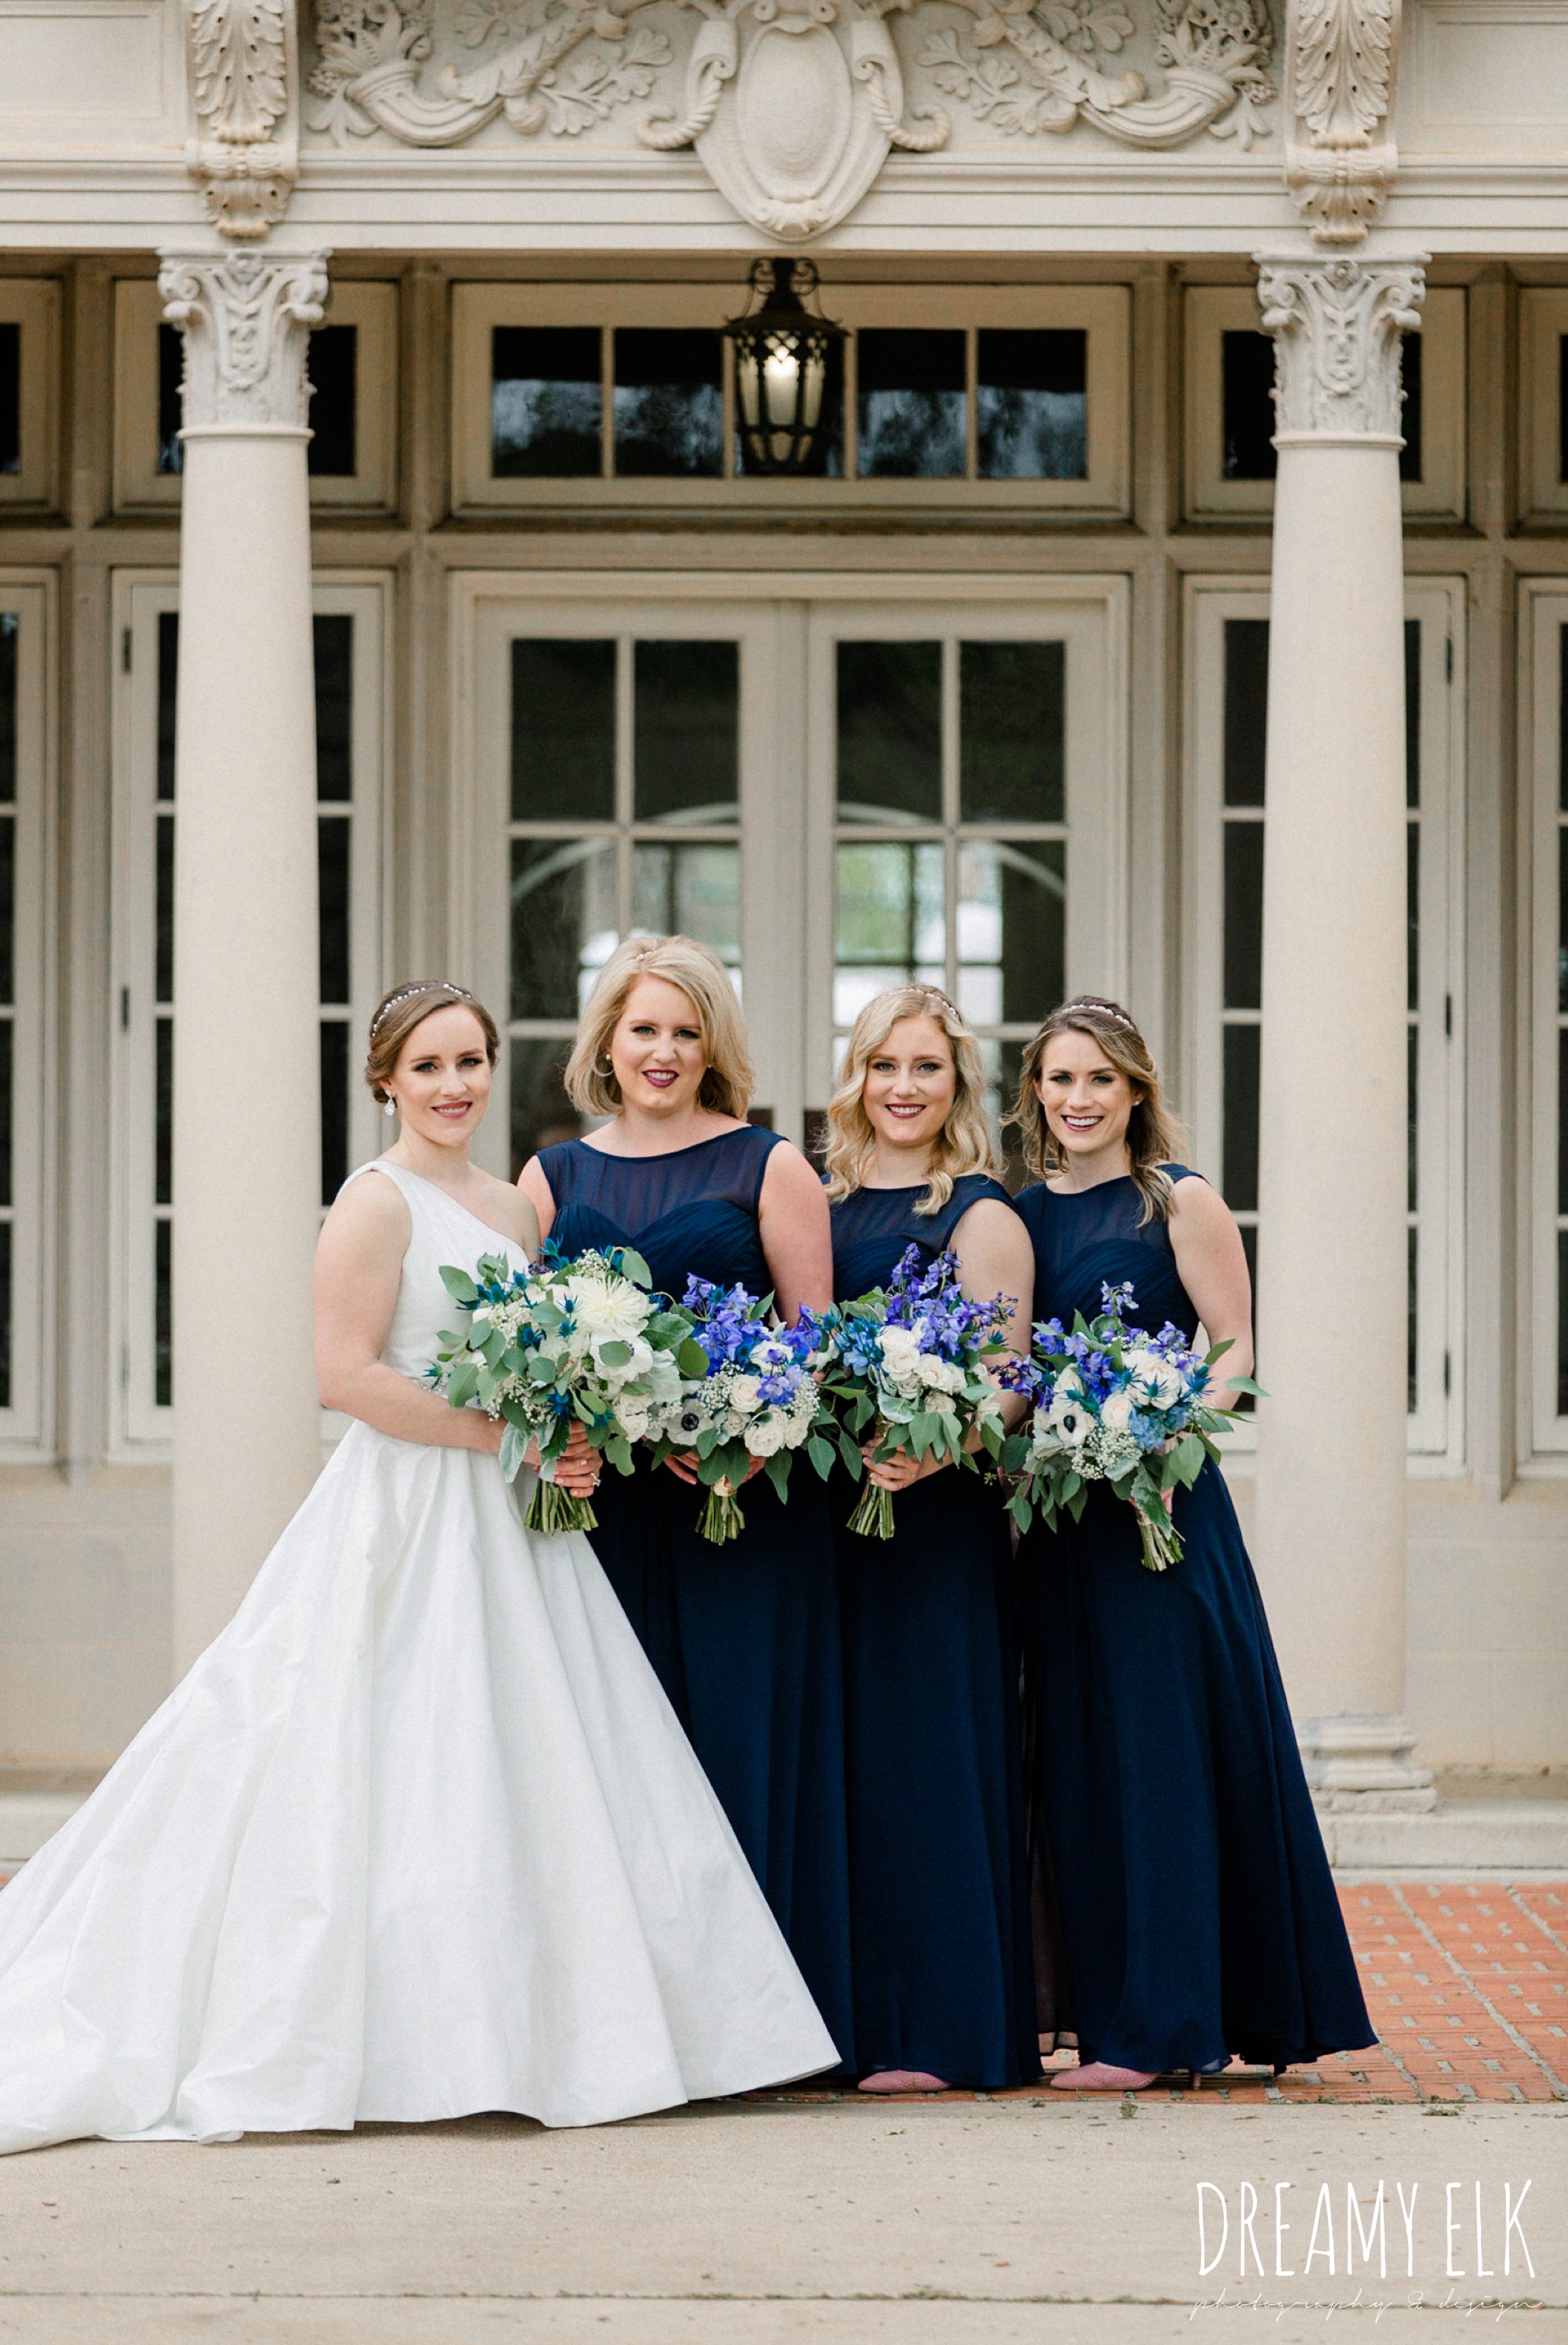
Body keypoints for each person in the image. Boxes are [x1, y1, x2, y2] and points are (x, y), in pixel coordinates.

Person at [0, 979, 837, 2153]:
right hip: (409, 1508)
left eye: (472, 1063)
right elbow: (345, 1376)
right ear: (386, 1078)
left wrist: (570, 1421)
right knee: (382, 1749)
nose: (454, 1087)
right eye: (430, 1066)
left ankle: (534, 2036)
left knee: (528, 1759)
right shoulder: (375, 1202)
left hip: (521, 1519)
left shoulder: (514, 1206)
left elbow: (546, 1359)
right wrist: (515, 1435)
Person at [1011, 996, 1376, 2092]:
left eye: (1101, 1081)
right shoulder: (1024, 1216)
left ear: (1136, 1092)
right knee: (1084, 1761)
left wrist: (1159, 1423)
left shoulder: (1180, 1201)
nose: (1079, 1100)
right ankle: (1111, 2010)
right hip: (1067, 1519)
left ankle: (1167, 2029)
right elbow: (1020, 1372)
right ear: (1037, 1090)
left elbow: (1234, 1348)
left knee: (1163, 1756)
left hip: (1163, 1514)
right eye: (1062, 1079)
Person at [520, 936, 855, 2067]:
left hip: (737, 1508)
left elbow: (815, 1339)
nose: (663, 1051)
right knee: (607, 1752)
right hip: (600, 1516)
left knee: (733, 1746)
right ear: (606, 1040)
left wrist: (752, 1441)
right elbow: (519, 1346)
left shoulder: (769, 1166)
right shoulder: (552, 1177)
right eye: (643, 1028)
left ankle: (750, 2036)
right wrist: (561, 1433)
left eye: (686, 1030)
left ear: (714, 1045)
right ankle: (624, 2036)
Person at [823, 986, 1040, 2094]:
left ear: (959, 1086)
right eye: (884, 1066)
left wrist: (937, 1444)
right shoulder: (821, 1199)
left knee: (934, 1756)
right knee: (853, 1766)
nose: (904, 1087)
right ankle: (857, 2023)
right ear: (856, 1077)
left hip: (938, 1520)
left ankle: (946, 2029)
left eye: (928, 1068)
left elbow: (1008, 1385)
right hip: (835, 1521)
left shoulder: (982, 1214)